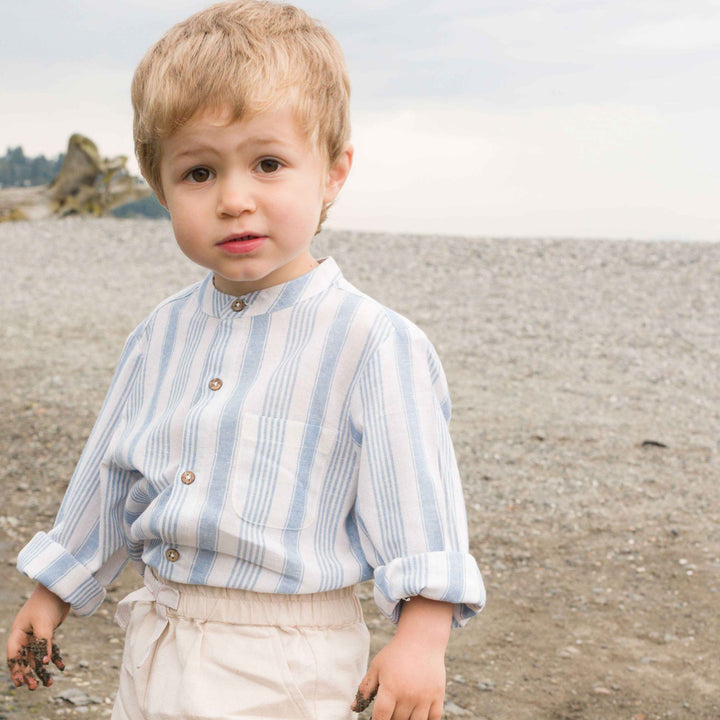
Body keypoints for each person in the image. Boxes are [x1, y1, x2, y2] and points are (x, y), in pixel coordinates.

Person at [6, 2, 485, 718]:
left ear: (332, 172)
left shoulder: (372, 341)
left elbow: (418, 503)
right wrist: (52, 592)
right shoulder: (158, 335)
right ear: (160, 186)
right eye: (199, 172)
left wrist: (421, 639)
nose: (234, 200)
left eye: (268, 164)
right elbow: (108, 475)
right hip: (158, 642)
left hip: (290, 661)